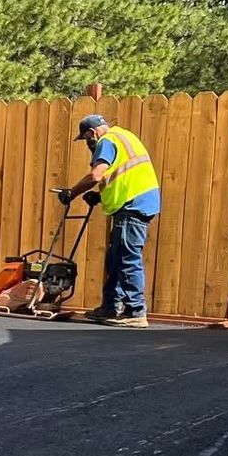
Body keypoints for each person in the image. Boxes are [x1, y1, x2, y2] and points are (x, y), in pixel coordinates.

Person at [55, 114, 161, 328]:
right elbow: (124, 176)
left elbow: (96, 175)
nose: (87, 144)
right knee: (115, 258)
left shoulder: (107, 141)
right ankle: (111, 307)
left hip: (132, 206)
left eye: (86, 139)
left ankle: (135, 310)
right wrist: (100, 196)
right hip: (137, 202)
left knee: (127, 259)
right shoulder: (124, 136)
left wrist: (71, 193)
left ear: (92, 133)